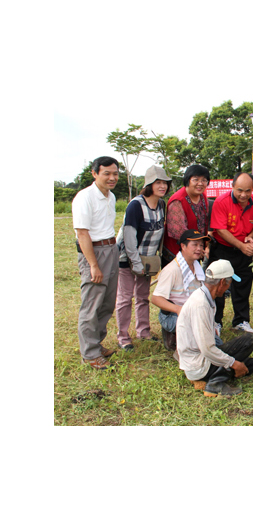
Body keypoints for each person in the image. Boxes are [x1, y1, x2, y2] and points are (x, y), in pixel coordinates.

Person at [176, 260, 253, 397]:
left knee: (250, 364)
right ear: (222, 283)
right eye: (229, 284)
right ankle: (215, 384)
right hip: (198, 363)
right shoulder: (200, 304)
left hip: (200, 359)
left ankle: (212, 377)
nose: (228, 288)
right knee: (247, 341)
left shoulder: (205, 297)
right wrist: (233, 363)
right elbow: (207, 348)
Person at [114, 165, 172, 350]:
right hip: (127, 259)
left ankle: (144, 331)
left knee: (142, 296)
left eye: (165, 183)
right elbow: (129, 238)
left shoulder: (162, 205)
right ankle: (123, 337)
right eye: (158, 182)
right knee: (125, 298)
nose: (162, 186)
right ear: (149, 184)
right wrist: (135, 263)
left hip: (148, 260)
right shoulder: (135, 206)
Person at [72, 156, 121, 369]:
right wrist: (93, 264)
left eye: (115, 174)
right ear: (95, 173)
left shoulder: (110, 197)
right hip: (94, 251)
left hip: (111, 249)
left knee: (107, 302)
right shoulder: (85, 197)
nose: (112, 178)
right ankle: (90, 353)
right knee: (92, 303)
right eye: (107, 173)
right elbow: (82, 233)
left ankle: (96, 343)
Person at [207, 172, 253, 334]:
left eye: (248, 191)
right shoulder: (221, 202)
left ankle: (241, 321)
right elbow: (220, 229)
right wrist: (240, 245)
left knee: (243, 284)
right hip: (223, 250)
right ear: (232, 187)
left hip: (244, 251)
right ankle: (216, 322)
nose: (243, 195)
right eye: (239, 190)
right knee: (218, 285)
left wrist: (250, 238)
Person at [151, 229, 211, 352]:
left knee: (210, 334)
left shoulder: (197, 267)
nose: (199, 248)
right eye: (194, 245)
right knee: (199, 333)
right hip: (172, 315)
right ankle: (175, 339)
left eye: (201, 245)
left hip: (192, 313)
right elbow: (155, 299)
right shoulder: (172, 270)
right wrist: (178, 309)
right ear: (183, 246)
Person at [164, 164, 210, 259]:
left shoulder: (202, 196)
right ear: (187, 180)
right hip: (177, 254)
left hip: (195, 251)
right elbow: (179, 233)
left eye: (204, 180)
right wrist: (197, 249)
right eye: (196, 179)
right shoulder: (177, 201)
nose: (200, 183)